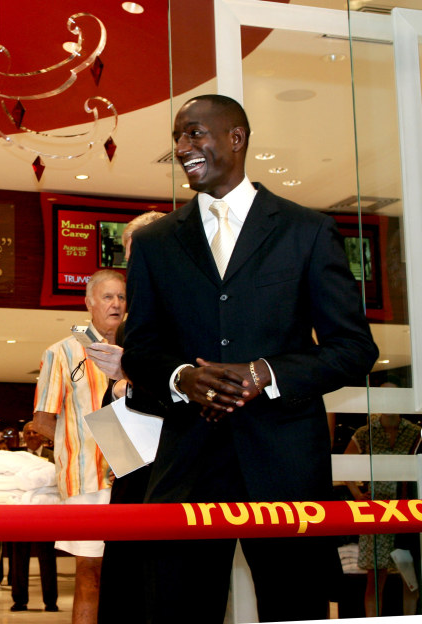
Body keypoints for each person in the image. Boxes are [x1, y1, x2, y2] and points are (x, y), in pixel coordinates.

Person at [121, 94, 379, 623]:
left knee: (294, 608)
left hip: (284, 462)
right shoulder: (155, 243)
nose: (183, 147)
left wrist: (267, 374)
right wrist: (182, 377)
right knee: (173, 608)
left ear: (236, 138)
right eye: (177, 137)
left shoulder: (306, 231)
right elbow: (141, 349)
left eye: (195, 133)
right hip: (187, 462)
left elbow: (354, 349)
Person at [84, 211, 164, 624]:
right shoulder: (136, 321)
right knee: (125, 579)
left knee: (157, 582)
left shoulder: (182, 314)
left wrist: (127, 384)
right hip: (132, 464)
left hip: (168, 467)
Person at [33, 269, 124, 624]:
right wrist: (81, 442)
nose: (116, 304)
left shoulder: (139, 350)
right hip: (86, 481)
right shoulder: (64, 352)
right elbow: (43, 419)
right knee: (91, 574)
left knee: (131, 576)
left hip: (137, 480)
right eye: (107, 297)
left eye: (121, 297)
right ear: (88, 303)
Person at [344, 403, 421, 617]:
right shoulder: (366, 432)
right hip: (377, 509)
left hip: (405, 509)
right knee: (375, 579)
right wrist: (358, 494)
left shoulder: (414, 432)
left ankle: (410, 619)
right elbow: (344, 463)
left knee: (410, 577)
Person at [9, 422, 58, 613]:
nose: (31, 435)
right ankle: (19, 601)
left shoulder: (53, 456)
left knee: (47, 560)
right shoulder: (16, 459)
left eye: (34, 431)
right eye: (27, 432)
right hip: (20, 515)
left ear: (42, 436)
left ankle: (51, 601)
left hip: (46, 515)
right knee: (18, 560)